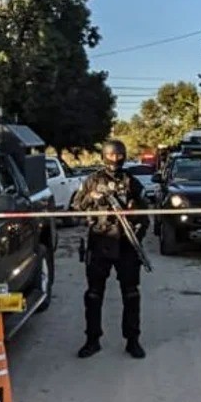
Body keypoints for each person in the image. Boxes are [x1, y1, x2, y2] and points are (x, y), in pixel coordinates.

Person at [70, 139, 151, 359]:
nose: (115, 159)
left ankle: (132, 340)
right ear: (104, 156)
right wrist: (92, 198)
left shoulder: (132, 182)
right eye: (111, 155)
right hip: (99, 243)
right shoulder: (92, 181)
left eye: (119, 155)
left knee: (131, 295)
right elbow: (76, 206)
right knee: (94, 295)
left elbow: (146, 214)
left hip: (126, 245)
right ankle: (92, 339)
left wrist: (137, 233)